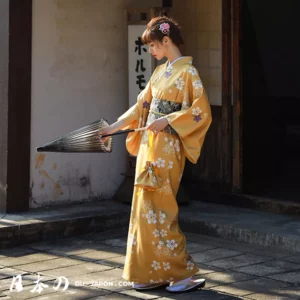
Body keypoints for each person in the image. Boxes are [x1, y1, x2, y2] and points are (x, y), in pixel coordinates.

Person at [100, 16, 212, 293]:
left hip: (168, 150)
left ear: (166, 40)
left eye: (153, 45)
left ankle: (182, 274)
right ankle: (153, 272)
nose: (151, 51)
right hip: (150, 147)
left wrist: (170, 119)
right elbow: (142, 108)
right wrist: (112, 128)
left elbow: (201, 112)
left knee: (162, 210)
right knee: (143, 211)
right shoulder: (159, 72)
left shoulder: (189, 73)